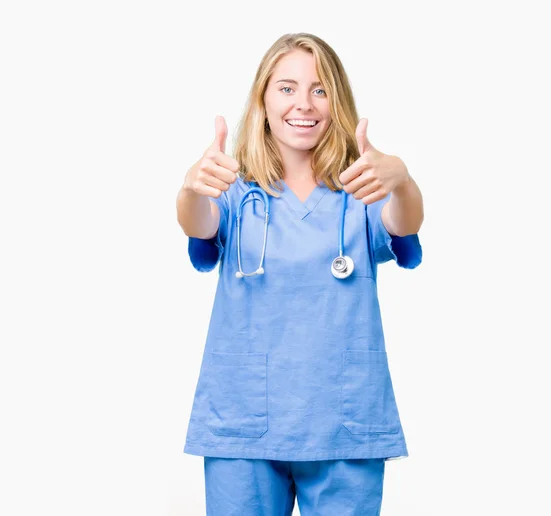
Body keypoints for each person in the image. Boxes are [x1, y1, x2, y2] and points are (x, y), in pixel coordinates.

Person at [176, 32, 424, 516]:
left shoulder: (363, 189)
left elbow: (403, 222)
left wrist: (404, 180)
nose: (303, 104)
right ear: (263, 99)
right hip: (244, 421)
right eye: (287, 88)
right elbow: (199, 224)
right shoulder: (234, 190)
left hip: (342, 421)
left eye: (320, 89)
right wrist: (189, 190)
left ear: (337, 101)